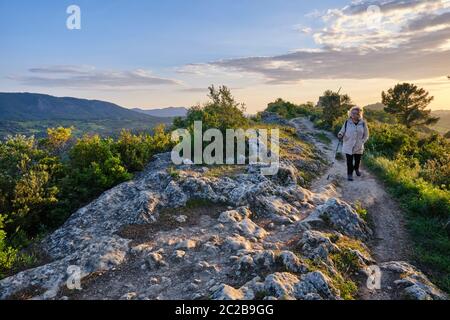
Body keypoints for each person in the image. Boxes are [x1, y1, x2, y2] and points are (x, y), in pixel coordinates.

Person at [337, 106, 370, 181]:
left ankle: (357, 169)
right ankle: (349, 174)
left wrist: (362, 141)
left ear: (359, 114)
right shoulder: (347, 122)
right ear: (350, 114)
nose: (354, 115)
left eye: (357, 113)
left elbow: (366, 134)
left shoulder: (363, 123)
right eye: (353, 113)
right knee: (349, 162)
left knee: (357, 161)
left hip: (359, 145)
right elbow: (342, 131)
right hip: (348, 144)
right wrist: (340, 134)